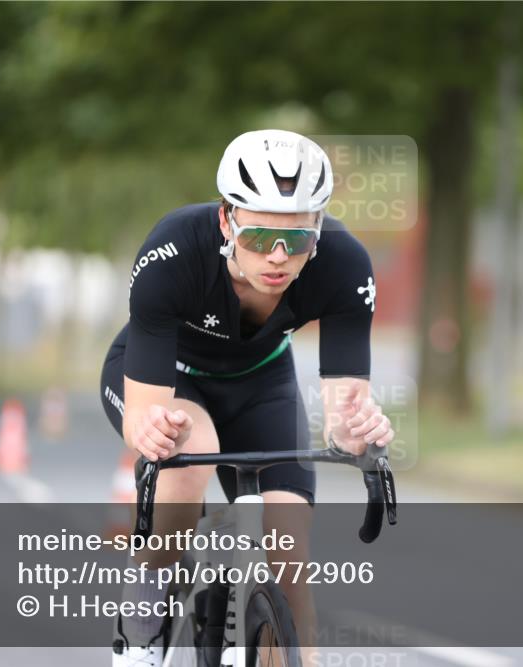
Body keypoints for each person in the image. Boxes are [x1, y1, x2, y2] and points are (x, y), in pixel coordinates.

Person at [99, 130, 395, 665]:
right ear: (225, 220)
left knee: (290, 555)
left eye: (298, 240)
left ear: (319, 229)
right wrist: (149, 433)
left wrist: (353, 431)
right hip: (170, 377)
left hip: (261, 381)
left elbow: (344, 409)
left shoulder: (346, 266)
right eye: (259, 237)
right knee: (186, 462)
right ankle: (145, 613)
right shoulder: (173, 250)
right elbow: (144, 412)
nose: (278, 257)